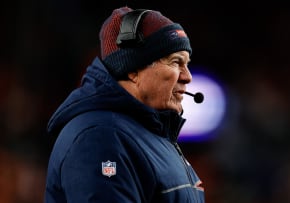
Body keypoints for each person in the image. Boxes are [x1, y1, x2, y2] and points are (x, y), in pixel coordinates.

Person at [44, 6, 205, 203]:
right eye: (175, 62)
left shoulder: (148, 135)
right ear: (133, 70)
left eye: (186, 63)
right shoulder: (100, 138)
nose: (187, 77)